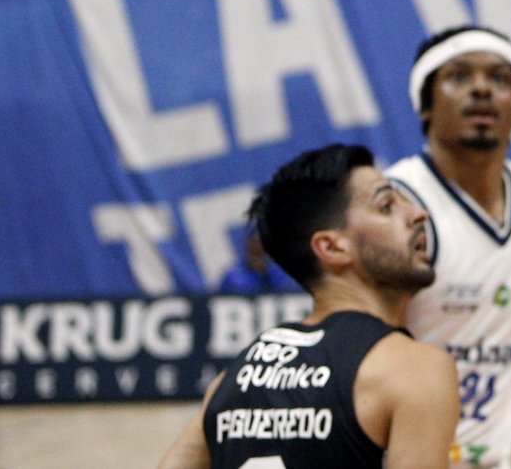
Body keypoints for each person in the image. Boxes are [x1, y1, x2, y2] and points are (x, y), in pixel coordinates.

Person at [154, 143, 459, 469]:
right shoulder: (415, 369)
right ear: (331, 247)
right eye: (386, 206)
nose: (418, 214)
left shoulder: (230, 381)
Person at [386, 26, 511, 469]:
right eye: (459, 76)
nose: (482, 88)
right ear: (425, 105)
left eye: (500, 79)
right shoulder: (397, 207)